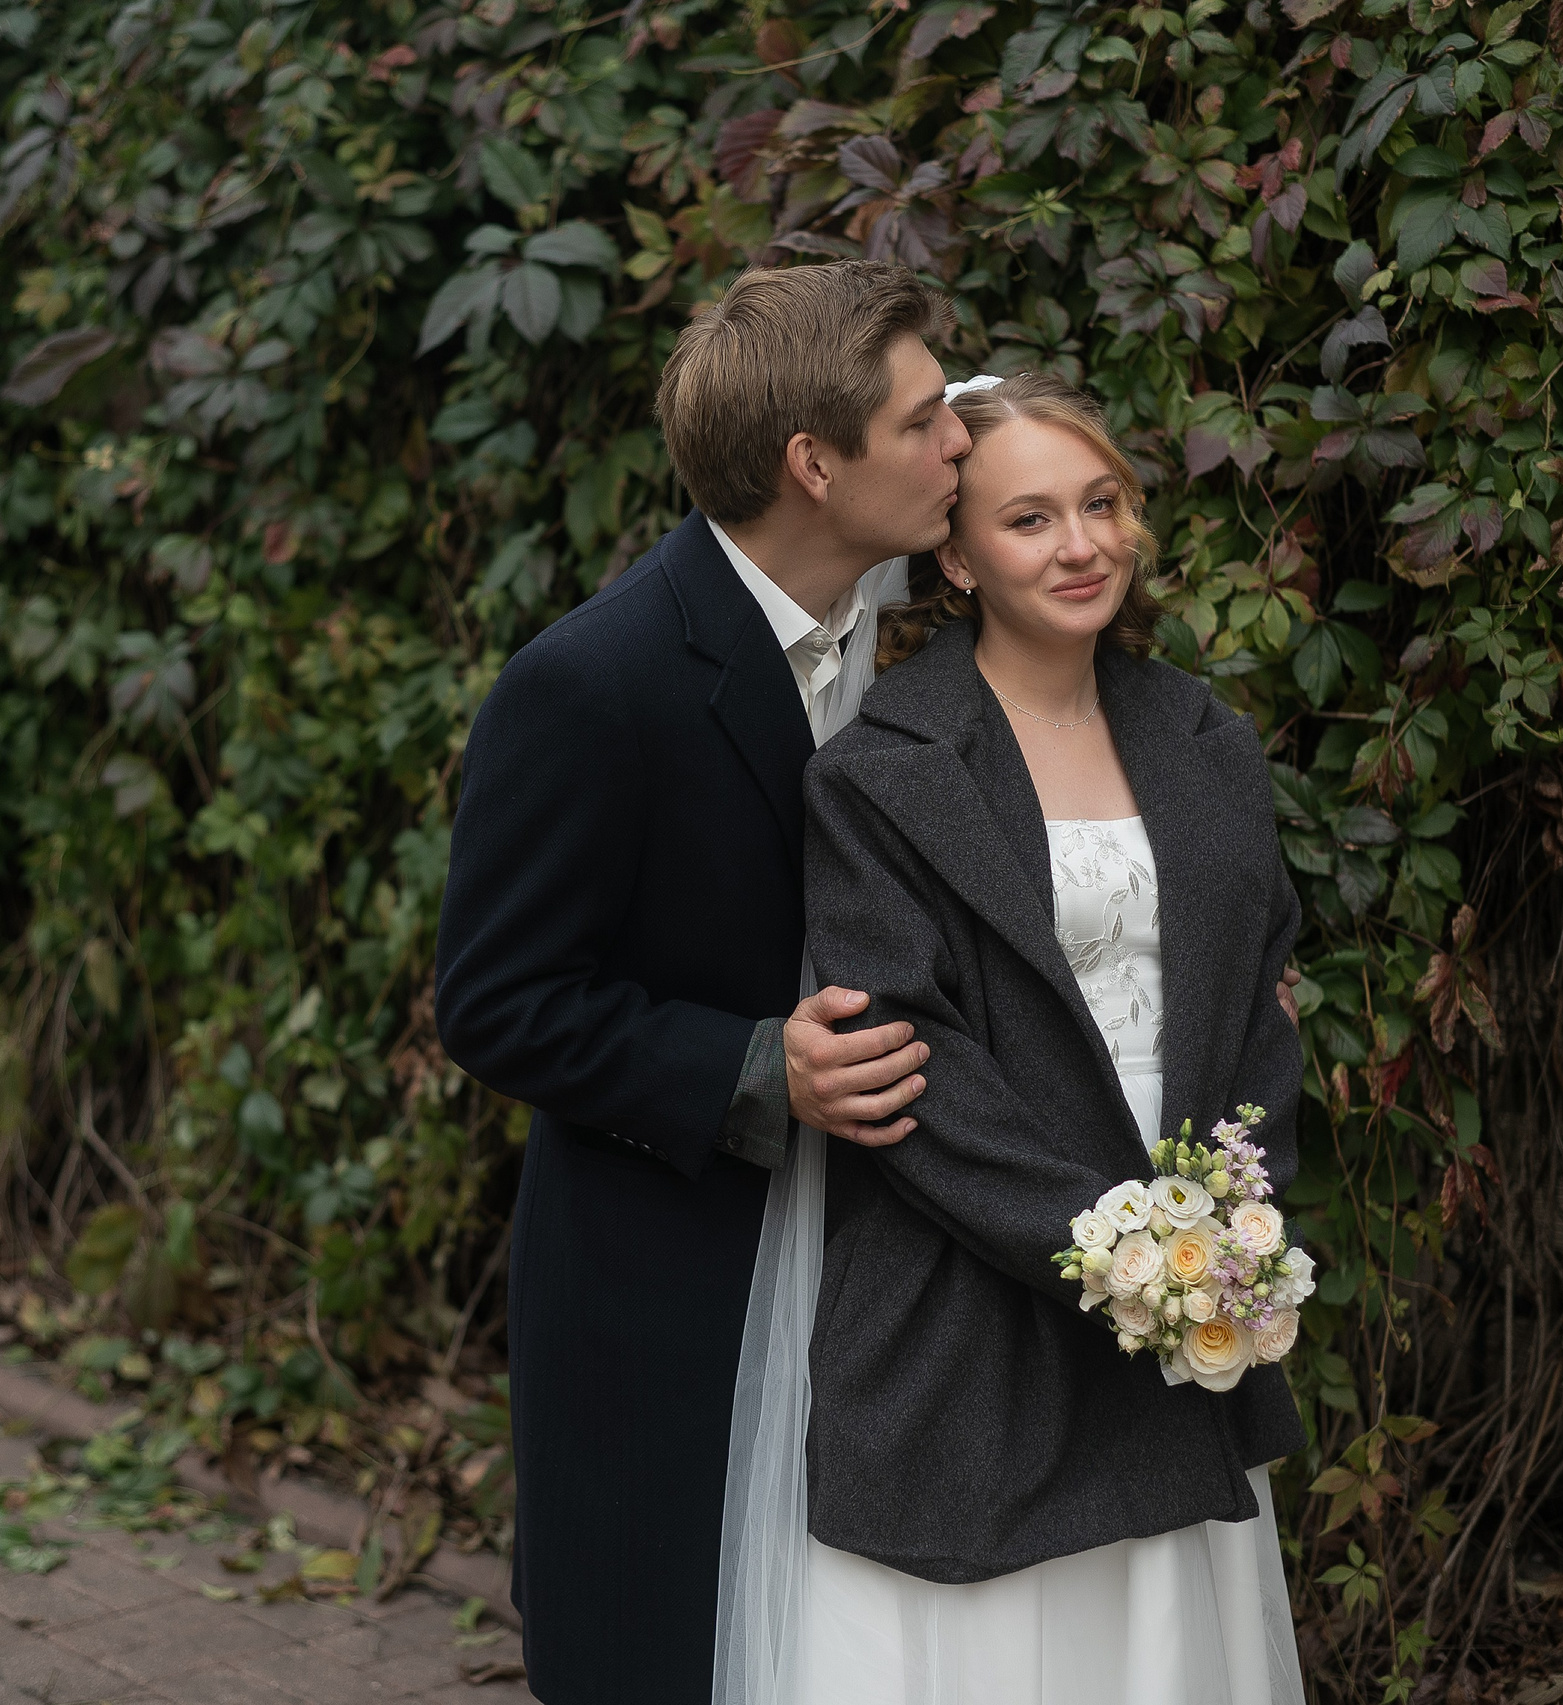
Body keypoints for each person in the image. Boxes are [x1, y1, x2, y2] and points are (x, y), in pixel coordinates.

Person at [714, 371, 1309, 1702]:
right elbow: (907, 1060)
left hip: (1191, 1269)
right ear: (958, 555)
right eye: (1030, 519)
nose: (1081, 545)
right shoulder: (881, 771)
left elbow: (1262, 1001)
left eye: (1101, 504)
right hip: (970, 1278)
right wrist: (1119, 1254)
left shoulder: (1206, 739)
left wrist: (1227, 1229)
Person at [433, 260, 975, 1702]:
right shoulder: (590, 684)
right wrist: (753, 1068)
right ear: (814, 465)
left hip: (885, 1282)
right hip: (667, 1286)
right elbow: (495, 999)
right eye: (924, 421)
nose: (962, 444)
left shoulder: (921, 627)